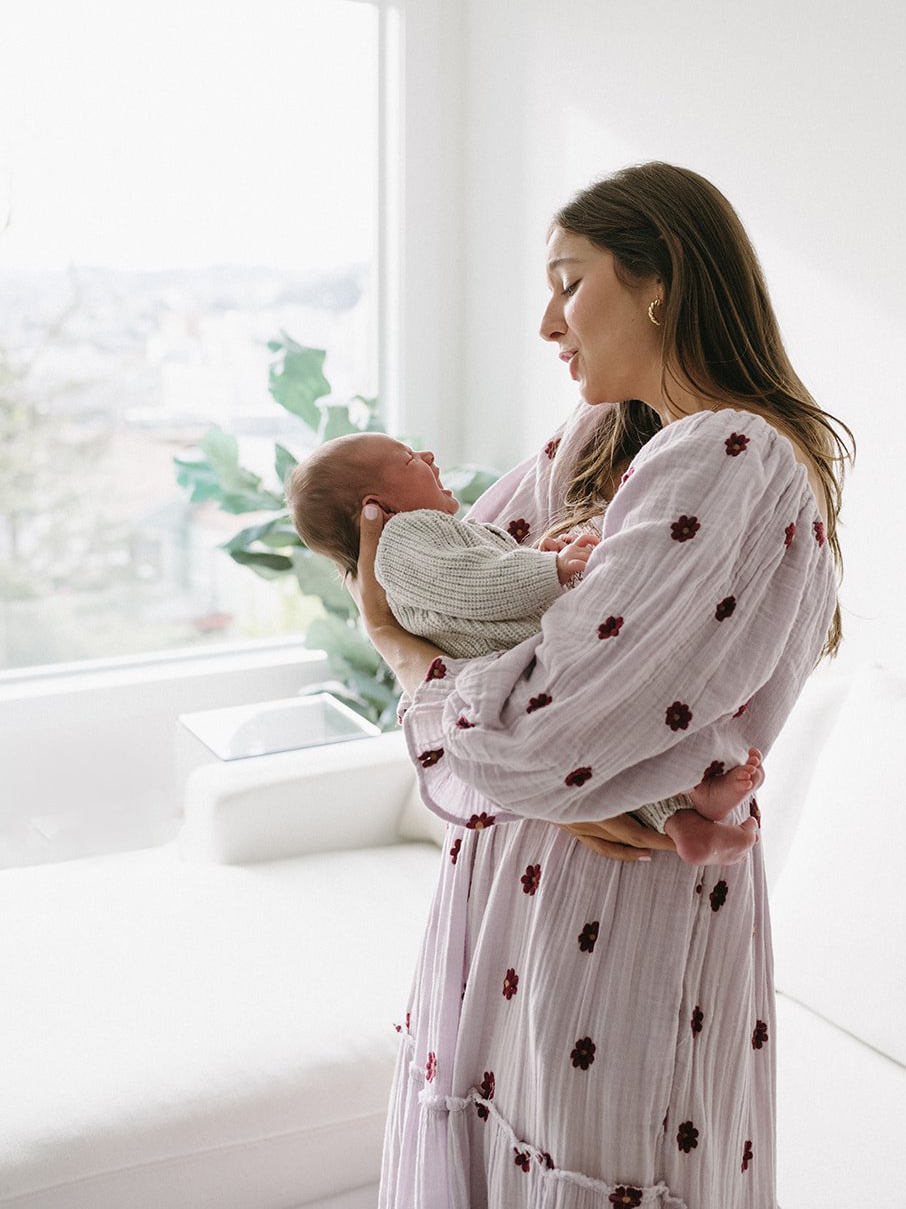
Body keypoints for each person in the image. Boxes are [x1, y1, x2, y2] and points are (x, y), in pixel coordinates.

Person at [352, 162, 852, 1209]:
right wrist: (549, 759)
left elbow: (530, 742)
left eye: (569, 282)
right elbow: (434, 582)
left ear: (658, 278)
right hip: (512, 894)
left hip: (611, 912)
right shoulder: (597, 441)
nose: (547, 322)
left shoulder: (729, 452)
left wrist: (415, 667)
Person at [285, 432, 763, 866]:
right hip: (517, 673)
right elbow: (471, 585)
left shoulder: (436, 538)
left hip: (526, 675)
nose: (428, 455)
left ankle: (683, 817)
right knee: (616, 723)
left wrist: (539, 555)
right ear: (379, 506)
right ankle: (687, 800)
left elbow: (486, 569)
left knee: (601, 745)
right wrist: (548, 570)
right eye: (408, 458)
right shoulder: (404, 539)